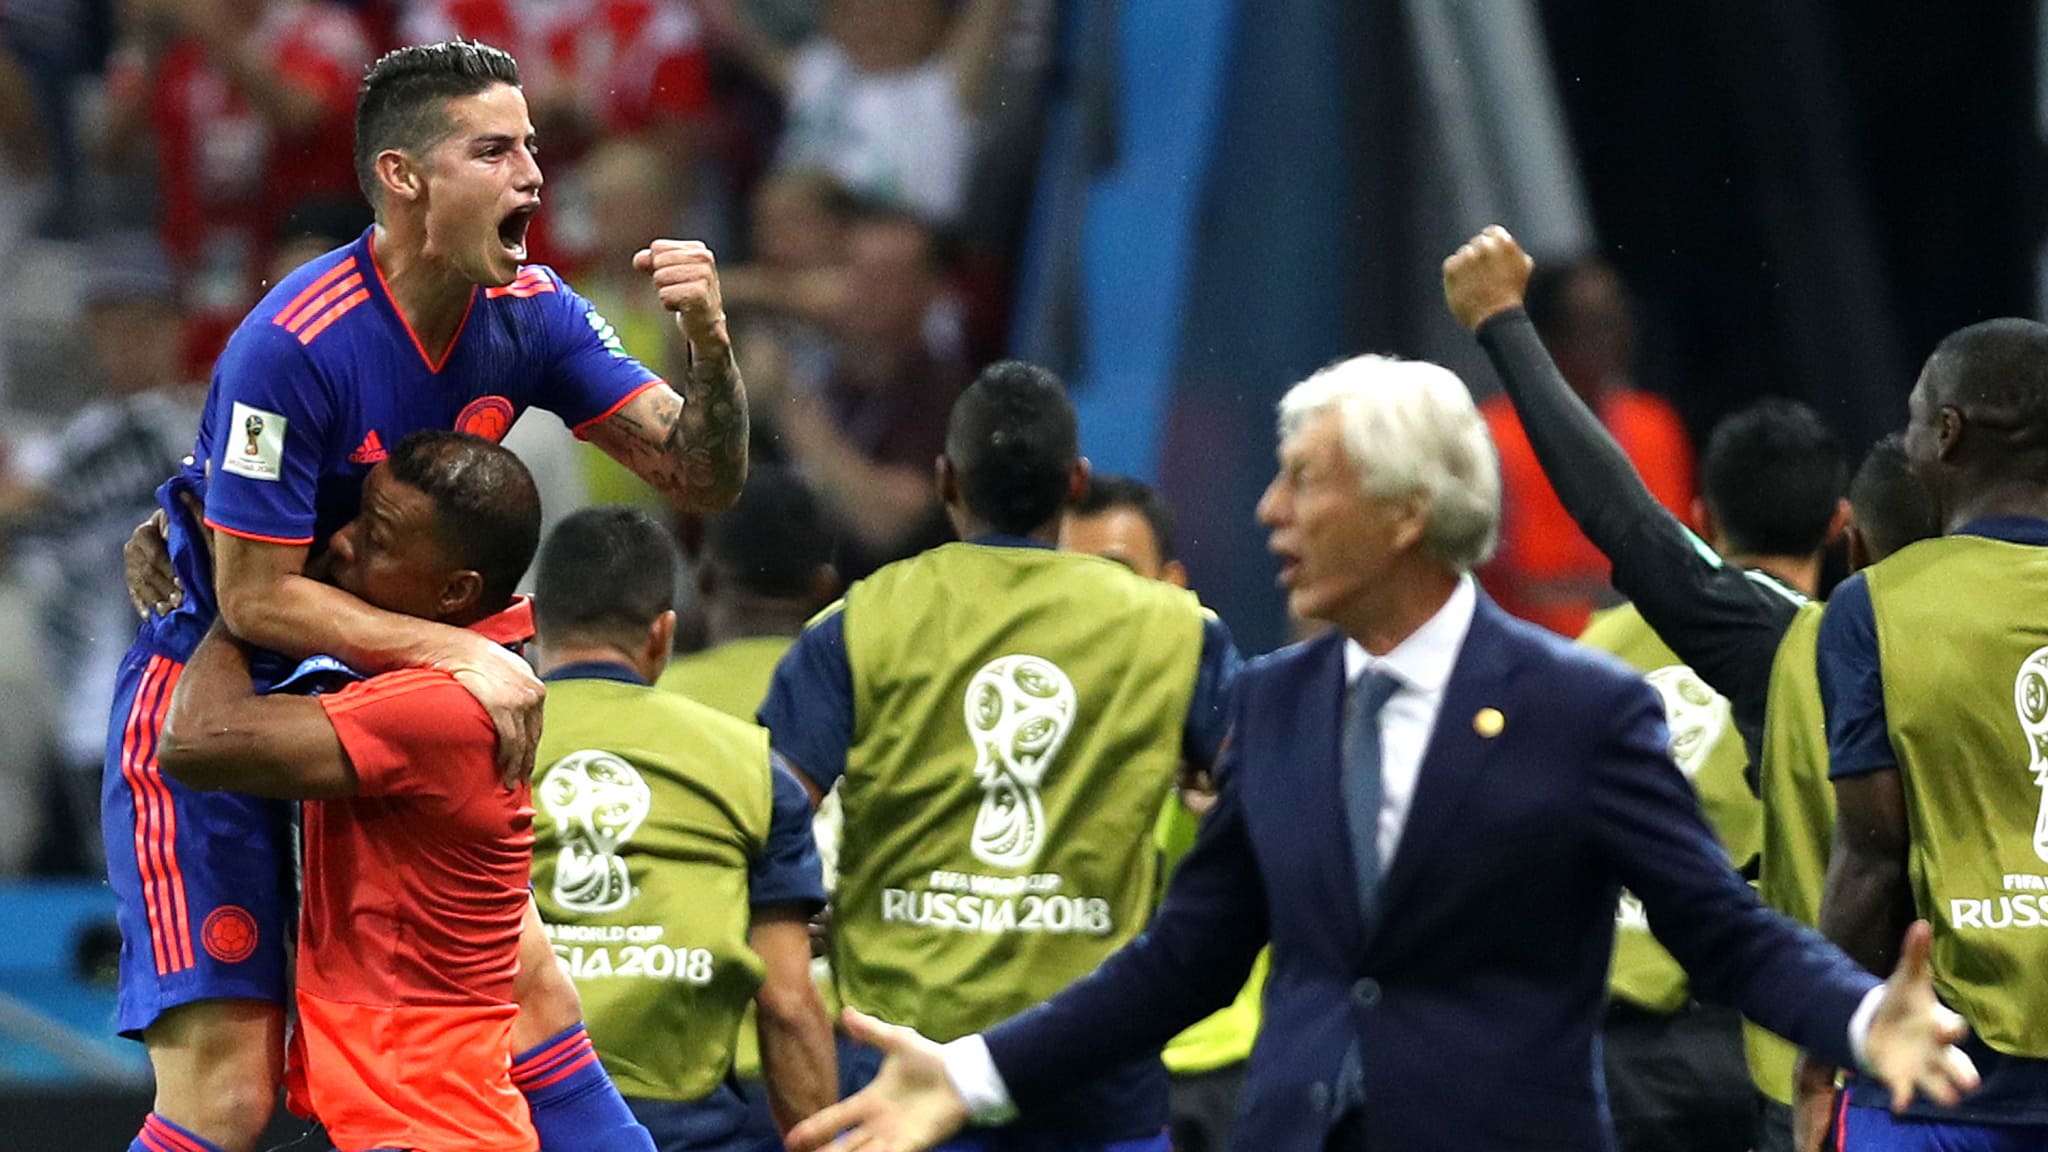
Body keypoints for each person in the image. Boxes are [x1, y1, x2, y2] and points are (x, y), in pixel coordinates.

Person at [785, 352, 1979, 1152]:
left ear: (1406, 513)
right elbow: (1182, 961)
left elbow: (1719, 929)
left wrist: (1860, 1020)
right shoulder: (1275, 704)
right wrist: (970, 1075)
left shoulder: (1579, 710)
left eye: (1303, 482)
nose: (1268, 512)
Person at [108, 38, 745, 1152]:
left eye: (531, 148)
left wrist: (710, 344)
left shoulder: (534, 313)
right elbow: (253, 602)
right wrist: (457, 653)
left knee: (532, 999)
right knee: (227, 1099)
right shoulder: (290, 346)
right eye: (493, 152)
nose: (533, 175)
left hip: (387, 701)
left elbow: (701, 476)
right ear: (402, 177)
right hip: (222, 704)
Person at [1441, 226, 1941, 1152]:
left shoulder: (1704, 648)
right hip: (1881, 1054)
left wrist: (1503, 323)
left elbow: (1628, 527)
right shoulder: (1914, 654)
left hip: (1639, 1035)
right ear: (1842, 534)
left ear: (1702, 518)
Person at [759, 361, 1240, 1152]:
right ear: (1074, 484)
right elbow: (1268, 802)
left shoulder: (862, 621)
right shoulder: (1178, 632)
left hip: (897, 1086)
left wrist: (803, 907)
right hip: (1098, 1092)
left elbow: (768, 817)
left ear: (946, 480)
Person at [155, 432, 551, 1152]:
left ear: (455, 592)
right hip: (413, 1124)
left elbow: (194, 741)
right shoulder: (455, 678)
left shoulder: (442, 708)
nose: (341, 542)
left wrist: (249, 601)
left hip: (427, 1132)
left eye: (377, 538)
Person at [1805, 317, 2048, 1150]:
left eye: (1913, 418)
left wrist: (1822, 1051)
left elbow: (1871, 862)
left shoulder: (1875, 608)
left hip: (1940, 1085)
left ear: (1947, 434)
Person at [530, 505, 837, 1151]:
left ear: (531, 623)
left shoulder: (472, 749)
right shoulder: (754, 769)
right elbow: (787, 1004)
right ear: (662, 634)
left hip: (506, 1117)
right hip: (686, 1132)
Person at [1059, 473, 1262, 1152]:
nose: (1097, 604)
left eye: (1117, 576)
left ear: (1173, 586)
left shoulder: (1233, 711)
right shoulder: (1020, 725)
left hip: (1207, 1067)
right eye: (1071, 579)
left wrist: (1227, 814)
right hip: (1073, 1067)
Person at [1476, 253, 1696, 637]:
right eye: (1593, 325)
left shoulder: (1656, 425)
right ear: (1546, 338)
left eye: (1618, 319)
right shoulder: (1494, 435)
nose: (1615, 337)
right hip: (1542, 645)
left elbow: (1681, 560)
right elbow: (1521, 581)